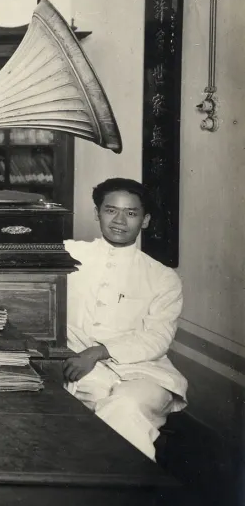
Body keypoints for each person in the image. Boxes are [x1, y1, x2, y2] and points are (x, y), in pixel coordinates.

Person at [63, 178, 187, 462]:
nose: (119, 220)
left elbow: (157, 338)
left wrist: (98, 351)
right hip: (82, 369)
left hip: (145, 372)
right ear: (97, 213)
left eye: (131, 213)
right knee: (94, 400)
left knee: (128, 406)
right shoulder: (68, 254)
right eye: (110, 210)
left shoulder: (162, 277)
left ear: (145, 220)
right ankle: (126, 494)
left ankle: (118, 496)